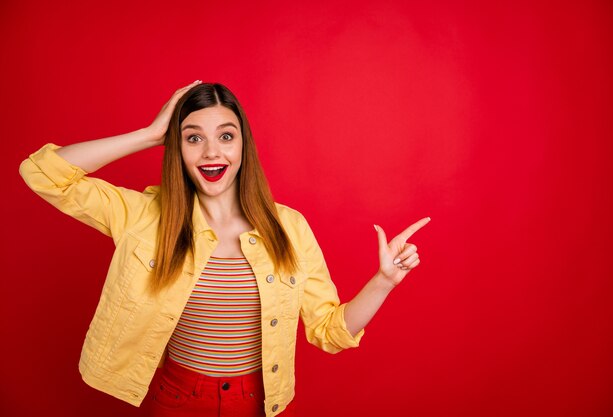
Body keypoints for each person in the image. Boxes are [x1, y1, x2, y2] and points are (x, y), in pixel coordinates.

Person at [19, 80, 430, 417]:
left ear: (242, 146)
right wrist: (149, 134)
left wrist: (383, 281)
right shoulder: (144, 215)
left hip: (256, 402)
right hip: (175, 399)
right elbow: (43, 174)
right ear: (176, 150)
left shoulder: (289, 227)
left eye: (225, 137)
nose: (212, 151)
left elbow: (329, 331)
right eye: (193, 138)